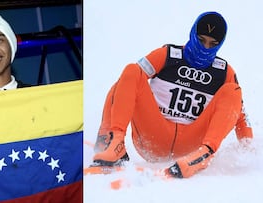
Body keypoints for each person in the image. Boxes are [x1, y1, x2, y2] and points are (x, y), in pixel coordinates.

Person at [92, 11, 253, 178]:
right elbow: (125, 83)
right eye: (201, 40)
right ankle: (112, 143)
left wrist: (247, 149)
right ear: (193, 34)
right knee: (130, 72)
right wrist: (106, 132)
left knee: (233, 91)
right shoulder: (167, 55)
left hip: (192, 145)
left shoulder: (224, 71)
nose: (205, 48)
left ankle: (205, 154)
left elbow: (239, 112)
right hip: (153, 136)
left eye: (212, 44)